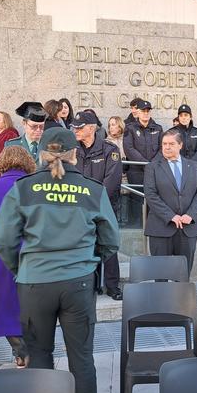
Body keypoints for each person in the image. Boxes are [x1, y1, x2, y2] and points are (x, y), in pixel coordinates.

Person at [0, 128, 118, 393]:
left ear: (40, 154)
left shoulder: (23, 188)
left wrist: (20, 269)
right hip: (77, 283)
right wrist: (89, 262)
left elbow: (4, 239)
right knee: (82, 357)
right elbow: (110, 241)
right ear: (75, 154)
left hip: (34, 283)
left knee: (39, 354)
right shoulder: (92, 189)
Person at [0, 146, 37, 367]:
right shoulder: (35, 187)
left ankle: (19, 351)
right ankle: (33, 348)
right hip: (32, 252)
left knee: (4, 306)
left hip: (0, 255)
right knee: (31, 305)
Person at [72, 111, 124, 301]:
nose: (76, 130)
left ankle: (113, 285)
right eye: (74, 127)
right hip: (78, 210)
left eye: (80, 127)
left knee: (108, 245)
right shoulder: (71, 150)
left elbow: (111, 181)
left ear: (92, 128)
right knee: (83, 247)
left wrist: (92, 203)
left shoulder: (109, 150)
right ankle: (89, 285)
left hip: (105, 207)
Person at [144, 129, 197, 274]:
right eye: (164, 144)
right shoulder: (152, 167)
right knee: (160, 274)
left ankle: (182, 297)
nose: (167, 147)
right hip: (160, 227)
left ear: (180, 145)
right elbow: (151, 195)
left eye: (171, 143)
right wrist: (170, 216)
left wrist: (190, 215)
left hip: (187, 228)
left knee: (183, 273)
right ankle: (162, 297)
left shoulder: (194, 166)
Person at [124, 100, 163, 226]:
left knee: (153, 200)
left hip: (154, 171)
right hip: (136, 172)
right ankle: (136, 228)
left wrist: (151, 165)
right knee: (136, 201)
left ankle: (152, 227)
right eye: (143, 111)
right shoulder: (130, 128)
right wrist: (145, 164)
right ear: (138, 113)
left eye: (148, 111)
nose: (146, 114)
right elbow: (129, 149)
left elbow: (162, 148)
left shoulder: (158, 128)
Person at [107, 116, 129, 226]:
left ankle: (124, 220)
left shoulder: (126, 140)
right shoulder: (106, 142)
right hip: (112, 174)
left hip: (125, 173)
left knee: (125, 197)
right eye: (110, 125)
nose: (111, 127)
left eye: (114, 124)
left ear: (120, 126)